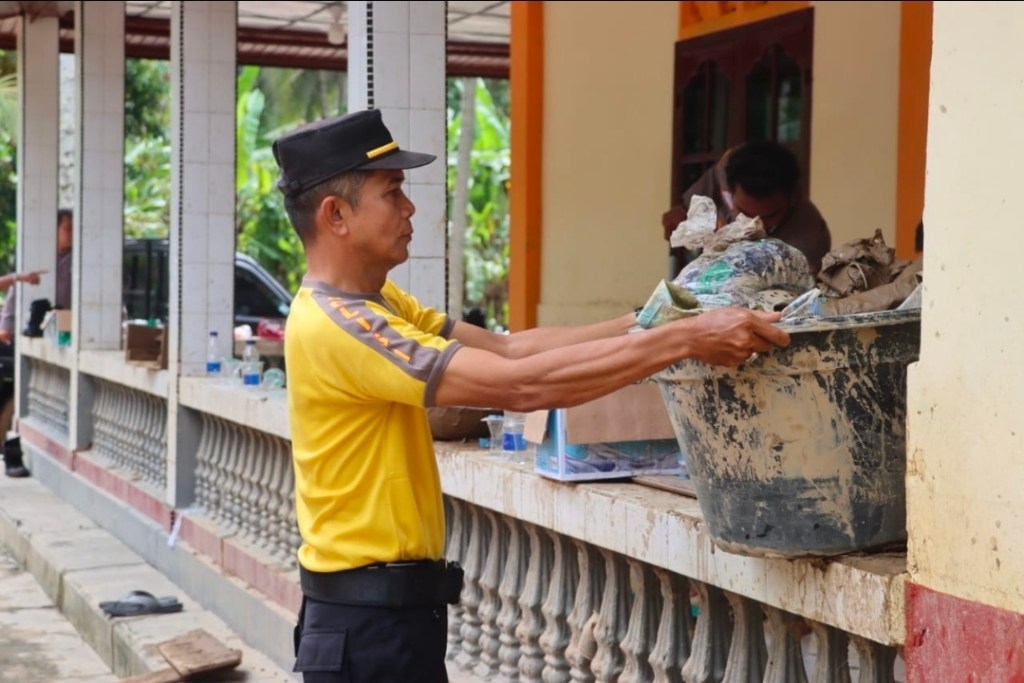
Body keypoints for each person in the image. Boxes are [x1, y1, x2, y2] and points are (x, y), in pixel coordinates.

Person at [273, 109, 790, 683]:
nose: (409, 207)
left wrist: (652, 318)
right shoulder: (340, 325)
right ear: (336, 214)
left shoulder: (379, 303)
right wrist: (683, 339)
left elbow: (509, 349)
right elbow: (519, 386)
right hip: (366, 624)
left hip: (393, 614)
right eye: (392, 191)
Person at [662, 141, 831, 277]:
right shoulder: (723, 172)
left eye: (768, 217)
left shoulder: (809, 243)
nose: (753, 225)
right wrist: (681, 219)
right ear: (729, 188)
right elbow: (680, 212)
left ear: (791, 198)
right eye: (745, 214)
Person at [0, 208, 72, 477]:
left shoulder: (77, 261)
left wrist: (18, 278)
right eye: (67, 229)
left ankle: (12, 449)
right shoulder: (40, 254)